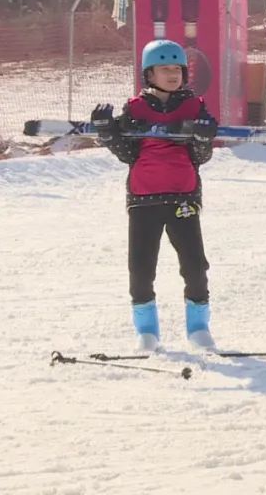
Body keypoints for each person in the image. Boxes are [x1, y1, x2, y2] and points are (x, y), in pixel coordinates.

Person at [90, 39, 219, 352]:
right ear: (149, 74)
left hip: (182, 195)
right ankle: (147, 333)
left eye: (177, 68)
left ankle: (199, 329)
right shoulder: (134, 108)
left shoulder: (194, 106)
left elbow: (200, 156)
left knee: (194, 266)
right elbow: (128, 153)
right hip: (144, 197)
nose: (173, 74)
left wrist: (203, 138)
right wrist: (108, 134)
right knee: (141, 267)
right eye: (165, 69)